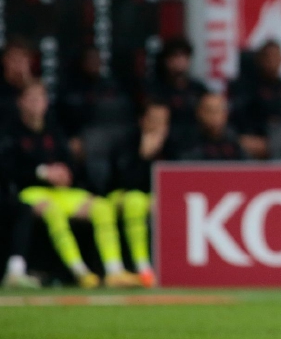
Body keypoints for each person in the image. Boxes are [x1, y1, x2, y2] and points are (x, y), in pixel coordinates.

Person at [2, 81, 140, 288]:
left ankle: (115, 270)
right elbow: (9, 169)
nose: (36, 104)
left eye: (40, 98)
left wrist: (67, 173)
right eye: (30, 99)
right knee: (53, 212)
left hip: (62, 191)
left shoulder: (55, 130)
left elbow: (71, 163)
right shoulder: (11, 132)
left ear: (46, 102)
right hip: (31, 191)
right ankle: (80, 271)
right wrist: (42, 172)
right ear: (20, 102)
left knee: (102, 207)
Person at [107, 101, 174, 287]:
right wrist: (143, 156)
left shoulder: (172, 145)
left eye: (163, 121)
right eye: (154, 120)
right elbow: (125, 182)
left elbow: (179, 179)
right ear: (143, 121)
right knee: (135, 201)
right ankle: (142, 266)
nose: (158, 126)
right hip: (121, 194)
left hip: (153, 196)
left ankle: (174, 267)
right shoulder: (127, 142)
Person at [229, 40, 281, 160]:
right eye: (268, 57)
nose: (272, 61)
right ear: (259, 59)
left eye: (276, 56)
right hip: (259, 137)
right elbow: (240, 118)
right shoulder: (246, 87)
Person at [146, 37, 208, 139]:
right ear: (167, 60)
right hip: (166, 139)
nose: (180, 61)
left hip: (198, 140)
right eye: (175, 56)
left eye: (184, 56)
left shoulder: (198, 89)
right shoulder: (157, 89)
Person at [178, 93, 245, 161]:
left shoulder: (233, 138)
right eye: (209, 111)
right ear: (198, 112)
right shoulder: (188, 140)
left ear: (226, 114)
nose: (214, 116)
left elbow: (246, 164)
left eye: (218, 110)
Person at [0, 37, 35, 125]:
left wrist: (28, 83)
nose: (18, 64)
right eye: (14, 59)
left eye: (22, 59)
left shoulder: (34, 87)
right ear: (5, 60)